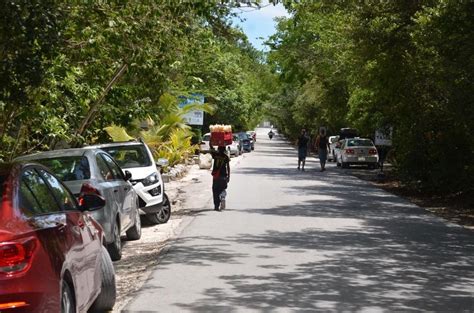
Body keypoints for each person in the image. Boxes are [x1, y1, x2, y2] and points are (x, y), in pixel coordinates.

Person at [210, 145, 230, 211]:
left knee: (215, 191)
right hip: (223, 176)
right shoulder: (226, 157)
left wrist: (211, 141)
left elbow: (211, 148)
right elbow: (228, 167)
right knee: (222, 189)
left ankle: (216, 205)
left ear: (218, 149)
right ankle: (223, 198)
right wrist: (228, 177)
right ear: (224, 149)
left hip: (216, 177)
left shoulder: (215, 155)